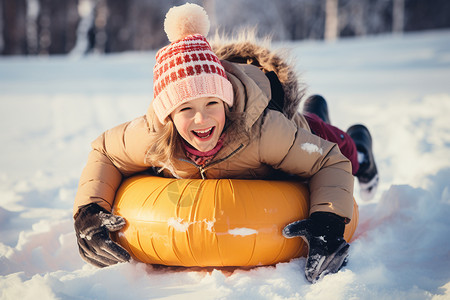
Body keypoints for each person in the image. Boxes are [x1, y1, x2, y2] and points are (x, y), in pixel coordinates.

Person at [73, 3, 378, 283]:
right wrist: (88, 212)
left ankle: (357, 144)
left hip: (289, 125)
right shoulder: (152, 134)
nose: (201, 119)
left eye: (211, 104)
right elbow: (105, 152)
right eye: (186, 109)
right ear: (168, 115)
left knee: (344, 150)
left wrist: (327, 221)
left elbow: (329, 160)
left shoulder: (262, 131)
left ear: (227, 102)